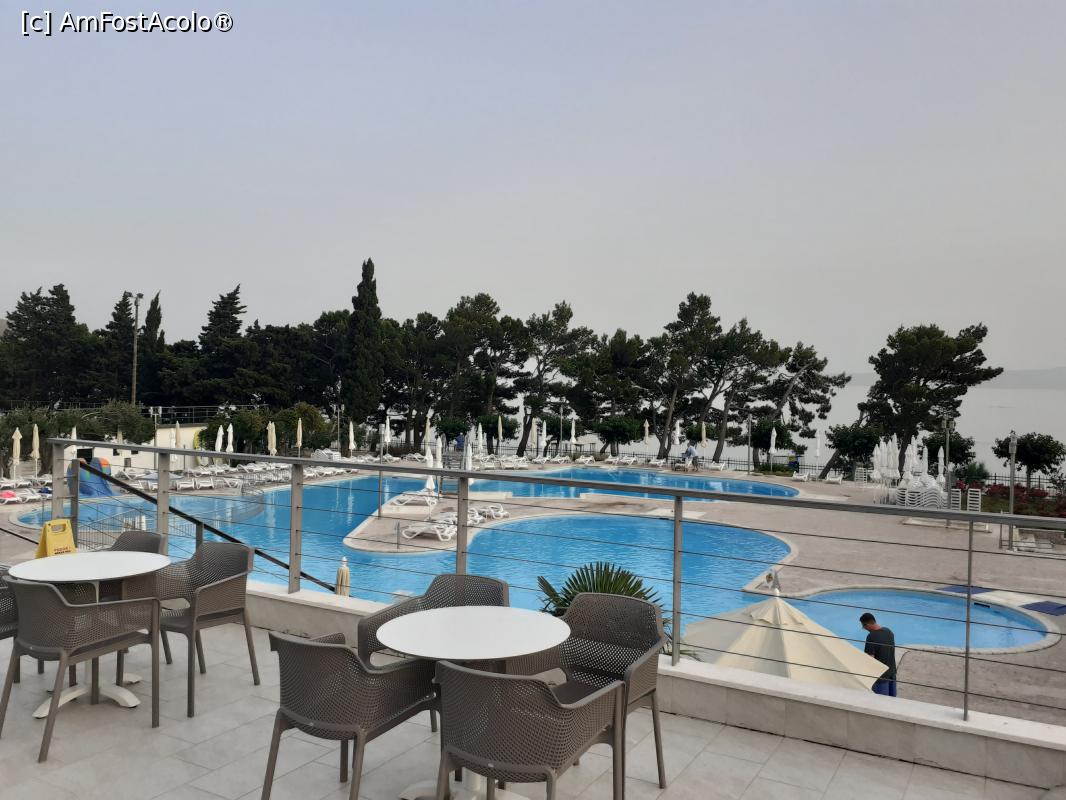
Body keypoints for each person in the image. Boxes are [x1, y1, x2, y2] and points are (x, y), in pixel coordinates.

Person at [860, 612, 897, 697]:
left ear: (867, 624)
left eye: (863, 626)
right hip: (892, 674)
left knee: (880, 702)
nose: (864, 628)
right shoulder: (889, 631)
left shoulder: (871, 637)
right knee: (893, 701)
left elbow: (870, 659)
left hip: (880, 677)